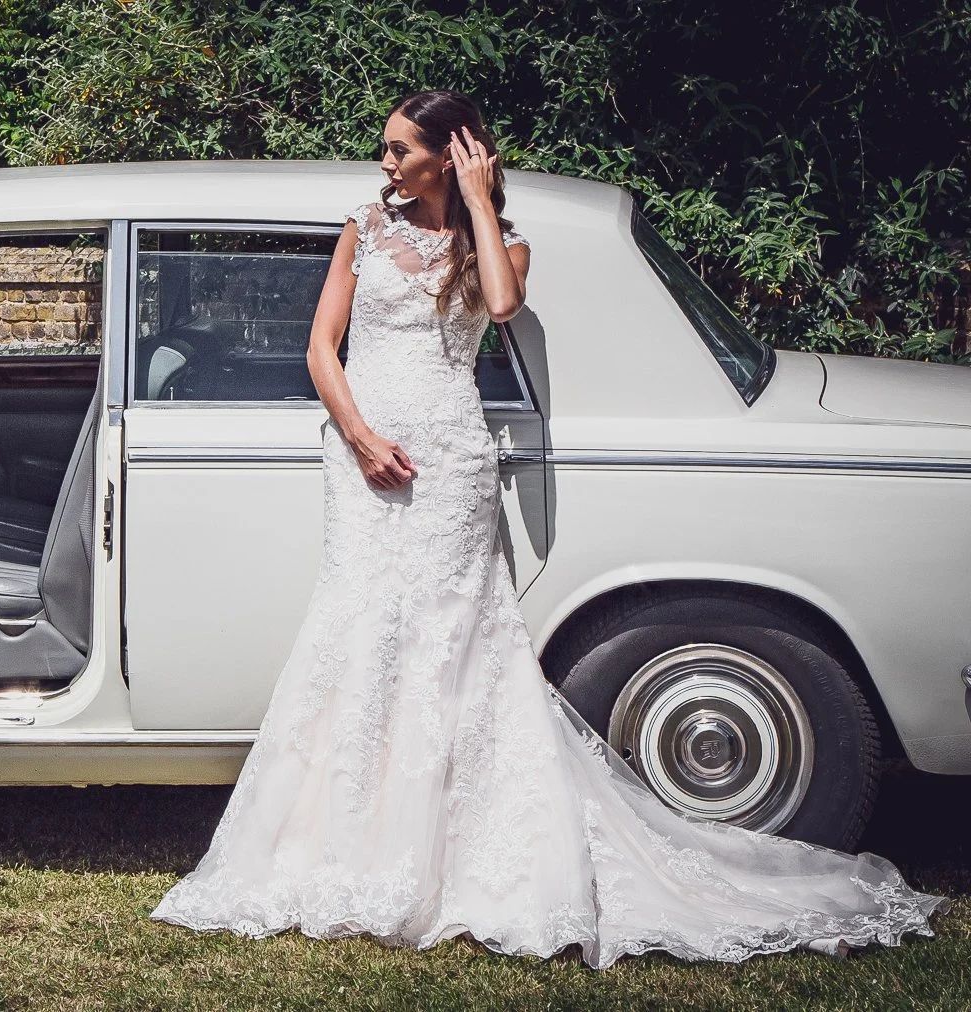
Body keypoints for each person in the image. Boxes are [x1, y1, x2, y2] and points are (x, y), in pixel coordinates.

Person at [149, 89, 948, 968]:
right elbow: (319, 349)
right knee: (359, 628)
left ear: (448, 157)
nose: (384, 164)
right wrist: (363, 437)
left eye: (400, 151)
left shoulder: (498, 244)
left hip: (449, 465)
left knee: (453, 641)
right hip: (363, 459)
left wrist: (481, 204)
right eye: (384, 149)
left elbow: (499, 306)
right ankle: (348, 837)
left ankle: (452, 841)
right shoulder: (362, 227)